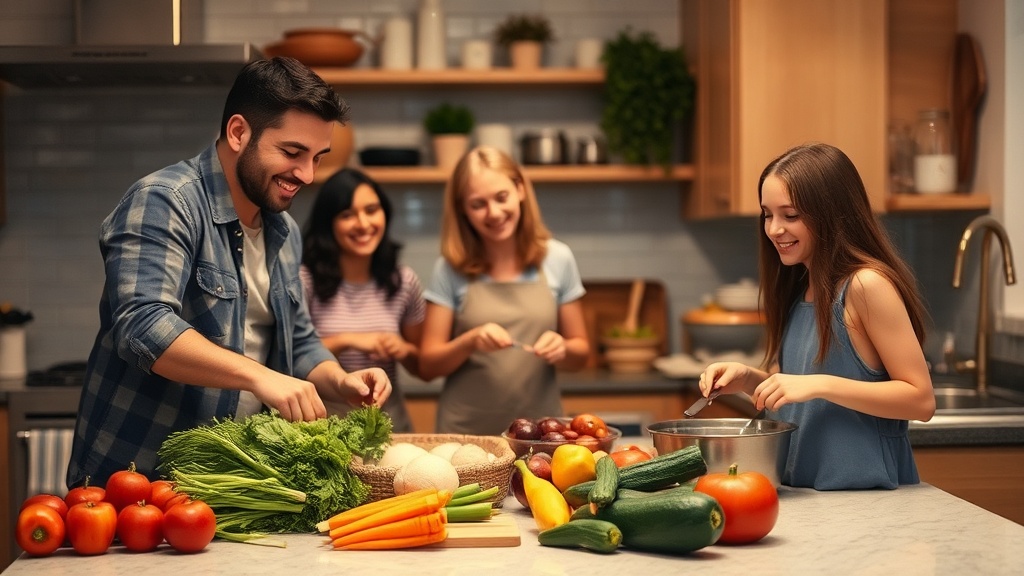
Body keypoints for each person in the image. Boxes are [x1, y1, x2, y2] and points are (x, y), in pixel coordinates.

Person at [67, 57, 392, 487]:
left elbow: (297, 338)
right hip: (138, 484)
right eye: (293, 152)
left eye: (317, 157)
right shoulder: (167, 201)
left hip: (234, 486)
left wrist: (340, 381)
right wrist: (260, 377)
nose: (308, 174)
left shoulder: (284, 230)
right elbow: (143, 327)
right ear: (239, 132)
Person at [697, 142, 936, 490]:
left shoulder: (867, 286)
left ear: (831, 214)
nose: (774, 229)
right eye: (767, 214)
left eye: (790, 215)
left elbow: (921, 400)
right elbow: (799, 392)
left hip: (867, 503)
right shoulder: (801, 288)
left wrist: (818, 386)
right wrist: (749, 379)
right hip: (809, 493)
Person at [418, 146, 590, 435]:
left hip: (541, 434)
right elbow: (427, 365)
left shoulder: (558, 258)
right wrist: (469, 341)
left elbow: (581, 354)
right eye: (477, 204)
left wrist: (563, 347)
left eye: (501, 197)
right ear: (462, 208)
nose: (494, 213)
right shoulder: (448, 269)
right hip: (465, 435)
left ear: (520, 189)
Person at [300, 168, 425, 432]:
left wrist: (403, 349)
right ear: (328, 223)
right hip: (323, 427)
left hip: (390, 426)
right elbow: (291, 355)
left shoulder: (403, 280)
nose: (363, 223)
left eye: (371, 210)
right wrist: (348, 340)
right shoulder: (304, 279)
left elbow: (421, 365)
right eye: (347, 215)